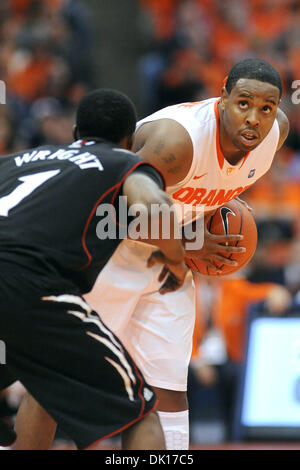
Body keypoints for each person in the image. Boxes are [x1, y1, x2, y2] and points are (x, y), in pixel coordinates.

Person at [15, 58, 290, 450]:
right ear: (223, 95)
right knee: (60, 380)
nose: (254, 118)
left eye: (266, 108)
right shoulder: (176, 143)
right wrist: (191, 245)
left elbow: (207, 192)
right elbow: (110, 212)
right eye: (243, 103)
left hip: (166, 259)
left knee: (167, 390)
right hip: (103, 253)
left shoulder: (276, 132)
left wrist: (205, 225)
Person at [0, 88, 189, 450]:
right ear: (130, 139)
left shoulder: (14, 161)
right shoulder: (121, 161)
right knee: (139, 411)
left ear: (74, 132)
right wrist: (176, 259)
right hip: (30, 282)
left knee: (42, 386)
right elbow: (156, 207)